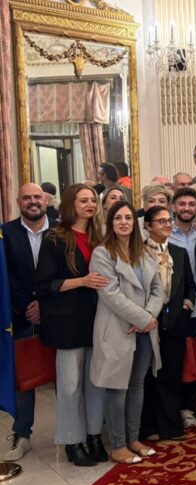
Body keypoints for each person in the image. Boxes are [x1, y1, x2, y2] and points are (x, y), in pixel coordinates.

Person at [35, 184, 107, 467]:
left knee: (95, 385)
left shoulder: (99, 236)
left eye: (93, 200)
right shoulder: (55, 237)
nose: (90, 205)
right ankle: (71, 441)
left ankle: (93, 437)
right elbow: (44, 285)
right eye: (83, 200)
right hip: (67, 323)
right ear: (70, 204)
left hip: (97, 320)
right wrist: (83, 281)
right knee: (70, 386)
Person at [89, 202, 163, 464]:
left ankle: (133, 438)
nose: (123, 222)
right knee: (117, 388)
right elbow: (110, 294)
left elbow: (158, 289)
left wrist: (149, 317)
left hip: (144, 330)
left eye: (128, 217)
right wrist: (143, 318)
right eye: (118, 218)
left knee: (137, 386)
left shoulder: (143, 252)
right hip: (118, 329)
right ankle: (118, 444)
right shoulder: (102, 253)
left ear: (135, 222)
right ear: (110, 223)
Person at [1, 184, 52, 462]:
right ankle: (22, 434)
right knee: (25, 380)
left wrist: (44, 305)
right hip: (20, 317)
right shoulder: (5, 233)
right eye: (27, 198)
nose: (33, 202)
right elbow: (5, 277)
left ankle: (74, 434)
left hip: (57, 314)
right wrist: (27, 308)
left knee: (66, 377)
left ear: (45, 200)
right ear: (18, 202)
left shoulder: (60, 230)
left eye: (37, 197)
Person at [139, 205, 196, 441]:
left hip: (175, 323)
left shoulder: (179, 252)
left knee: (171, 375)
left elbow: (190, 286)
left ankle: (171, 427)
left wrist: (186, 305)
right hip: (147, 322)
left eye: (168, 220)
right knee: (148, 376)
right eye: (160, 221)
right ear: (148, 225)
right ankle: (148, 426)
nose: (166, 224)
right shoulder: (138, 253)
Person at [168, 187, 196, 429]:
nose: (186, 209)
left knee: (193, 358)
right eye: (182, 204)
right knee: (174, 359)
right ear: (174, 207)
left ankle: (189, 406)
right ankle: (175, 408)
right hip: (172, 307)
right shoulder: (163, 233)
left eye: (191, 205)